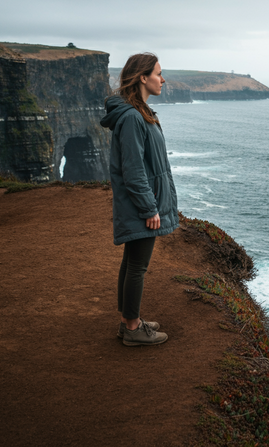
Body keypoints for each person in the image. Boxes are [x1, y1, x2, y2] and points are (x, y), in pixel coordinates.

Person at [100, 53, 179, 346]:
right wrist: (150, 207)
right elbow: (133, 171)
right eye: (159, 73)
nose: (163, 79)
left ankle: (127, 322)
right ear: (143, 77)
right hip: (142, 204)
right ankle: (133, 329)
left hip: (142, 201)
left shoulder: (140, 112)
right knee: (138, 266)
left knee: (131, 261)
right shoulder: (134, 117)